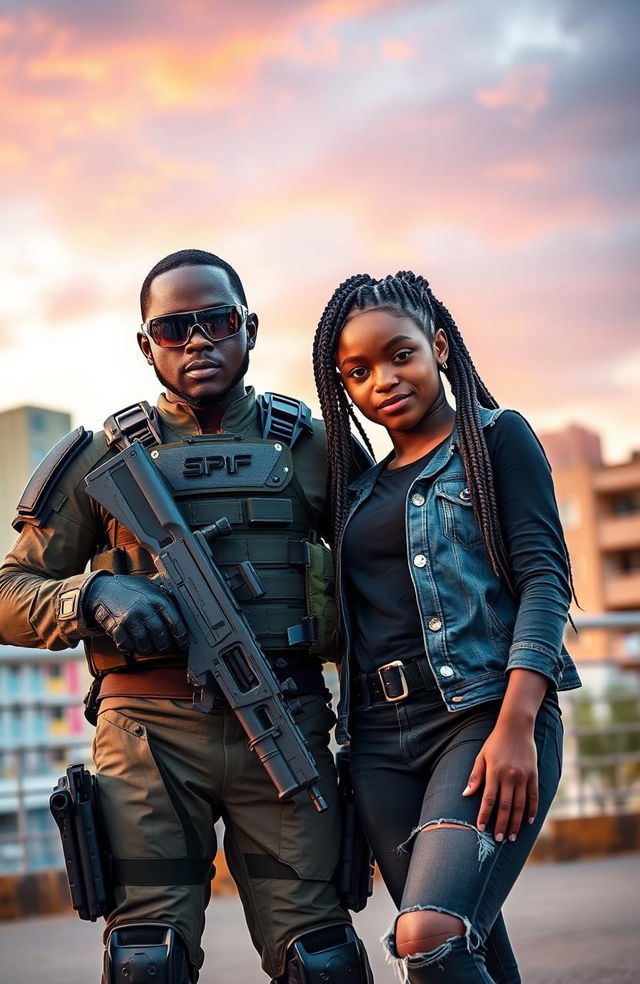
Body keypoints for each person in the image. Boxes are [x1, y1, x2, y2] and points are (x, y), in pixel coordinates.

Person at [0, 250, 373, 984]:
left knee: (322, 959)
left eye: (218, 321)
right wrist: (92, 597)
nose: (198, 340)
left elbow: (390, 576)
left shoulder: (311, 447)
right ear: (147, 346)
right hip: (149, 738)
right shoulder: (99, 458)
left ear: (250, 329)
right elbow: (10, 591)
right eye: (174, 328)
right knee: (146, 959)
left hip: (286, 721)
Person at [312, 270, 582, 984]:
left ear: (437, 346)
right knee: (465, 945)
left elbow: (546, 580)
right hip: (378, 746)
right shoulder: (357, 490)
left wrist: (518, 723)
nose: (383, 380)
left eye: (400, 355)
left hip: (482, 718)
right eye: (358, 372)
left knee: (426, 937)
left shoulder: (497, 440)